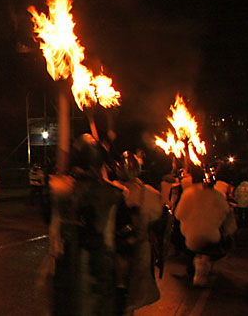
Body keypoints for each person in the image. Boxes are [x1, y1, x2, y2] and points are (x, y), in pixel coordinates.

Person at [42, 134, 125, 315]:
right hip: (95, 264)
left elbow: (49, 215)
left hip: (72, 265)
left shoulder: (60, 190)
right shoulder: (113, 193)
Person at [114, 151, 162, 315]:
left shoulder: (111, 189)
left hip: (127, 250)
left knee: (126, 292)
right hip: (125, 249)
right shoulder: (150, 194)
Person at [174, 170, 237, 287]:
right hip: (212, 235)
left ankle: (194, 270)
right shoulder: (218, 195)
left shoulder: (188, 193)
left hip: (191, 236)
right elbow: (225, 214)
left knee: (190, 243)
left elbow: (178, 214)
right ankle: (203, 267)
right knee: (206, 245)